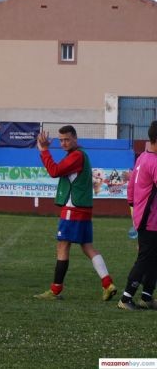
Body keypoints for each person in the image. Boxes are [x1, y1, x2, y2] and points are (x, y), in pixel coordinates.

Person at [35, 125, 117, 301]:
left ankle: (55, 290)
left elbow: (54, 171)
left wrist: (44, 151)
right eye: (61, 140)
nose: (64, 143)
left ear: (75, 139)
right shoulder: (79, 155)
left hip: (73, 209)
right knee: (87, 247)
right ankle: (108, 283)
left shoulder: (77, 156)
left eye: (67, 139)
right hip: (83, 208)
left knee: (63, 246)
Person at [118, 120, 157, 310]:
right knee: (144, 259)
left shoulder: (142, 157)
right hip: (151, 221)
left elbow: (131, 188)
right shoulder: (155, 162)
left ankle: (147, 297)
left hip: (144, 218)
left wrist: (135, 212)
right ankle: (126, 299)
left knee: (152, 258)